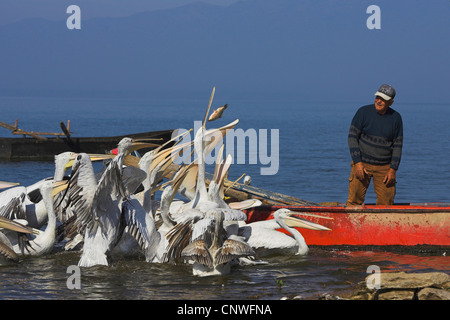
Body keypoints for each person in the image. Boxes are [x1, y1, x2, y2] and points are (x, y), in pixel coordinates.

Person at [347, 84, 403, 206]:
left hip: (385, 168)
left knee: (386, 203)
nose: (379, 101)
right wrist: (357, 163)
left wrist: (393, 169)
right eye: (377, 97)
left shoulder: (396, 118)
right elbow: (352, 138)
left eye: (383, 99)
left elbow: (398, 146)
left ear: (391, 102)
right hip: (362, 164)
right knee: (354, 201)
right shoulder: (363, 112)